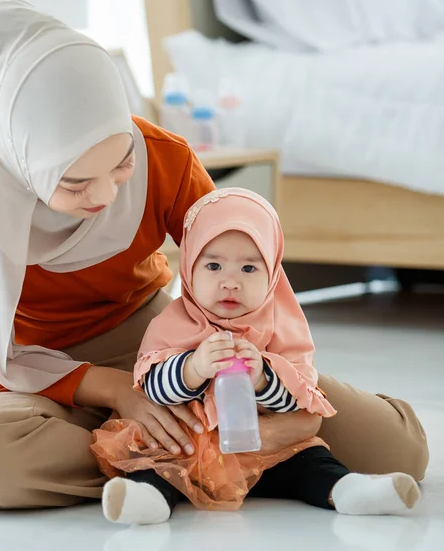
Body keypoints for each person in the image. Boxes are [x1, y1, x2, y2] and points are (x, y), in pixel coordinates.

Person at [0, 0, 428, 511]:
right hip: (35, 376)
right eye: (74, 182)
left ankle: (175, 466)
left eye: (122, 163)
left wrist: (268, 377)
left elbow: (252, 280)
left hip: (170, 349)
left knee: (398, 450)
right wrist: (113, 392)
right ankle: (230, 461)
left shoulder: (163, 156)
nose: (106, 196)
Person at [92, 189, 421, 524]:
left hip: (265, 450)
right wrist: (194, 367)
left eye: (249, 268)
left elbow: (300, 394)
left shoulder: (283, 326)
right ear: (189, 267)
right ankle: (148, 500)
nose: (230, 282)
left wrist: (264, 377)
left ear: (273, 273)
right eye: (214, 265)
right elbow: (153, 388)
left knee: (311, 459)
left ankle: (348, 490)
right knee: (153, 462)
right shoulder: (173, 323)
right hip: (186, 450)